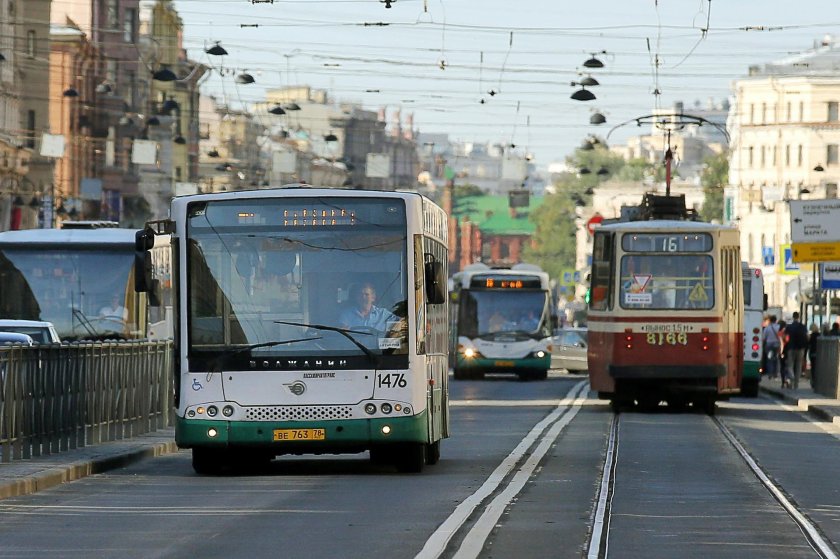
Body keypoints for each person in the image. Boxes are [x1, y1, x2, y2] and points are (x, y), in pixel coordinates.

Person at [783, 312, 808, 389]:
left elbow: (785, 337)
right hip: (800, 349)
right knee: (798, 365)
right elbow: (807, 337)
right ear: (798, 317)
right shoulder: (803, 326)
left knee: (790, 365)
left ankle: (792, 376)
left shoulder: (789, 327)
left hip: (791, 348)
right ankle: (796, 384)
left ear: (793, 317)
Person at [762, 314, 781, 380]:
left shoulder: (767, 328)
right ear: (776, 320)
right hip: (777, 345)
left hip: (769, 345)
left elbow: (764, 338)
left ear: (770, 320)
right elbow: (781, 337)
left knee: (769, 359)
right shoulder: (779, 327)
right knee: (776, 359)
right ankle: (776, 374)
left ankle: (770, 374)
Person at [808, 323, 820, 389]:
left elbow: (809, 344)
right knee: (817, 368)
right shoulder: (820, 335)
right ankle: (817, 381)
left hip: (812, 353)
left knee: (813, 368)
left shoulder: (811, 336)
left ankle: (813, 382)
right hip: (819, 353)